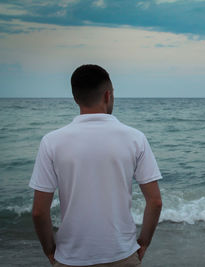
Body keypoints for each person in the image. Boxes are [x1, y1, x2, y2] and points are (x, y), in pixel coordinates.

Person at [29, 64, 162, 266]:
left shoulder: (52, 141)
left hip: (70, 257)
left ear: (75, 98)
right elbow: (155, 202)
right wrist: (143, 243)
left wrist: (50, 250)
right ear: (108, 95)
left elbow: (39, 211)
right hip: (122, 254)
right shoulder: (136, 139)